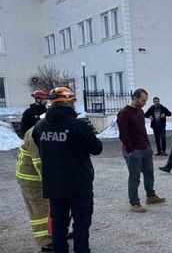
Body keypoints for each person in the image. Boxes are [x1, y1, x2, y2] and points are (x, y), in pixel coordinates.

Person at [33, 87, 103, 253]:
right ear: (69, 102)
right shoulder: (77, 125)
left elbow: (39, 146)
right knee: (81, 221)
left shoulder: (40, 126)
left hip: (53, 182)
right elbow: (96, 148)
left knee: (58, 222)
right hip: (78, 182)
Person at [117, 89, 166, 213]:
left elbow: (142, 129)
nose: (144, 103)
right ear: (135, 98)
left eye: (145, 100)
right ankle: (134, 202)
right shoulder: (124, 113)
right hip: (134, 151)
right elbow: (123, 134)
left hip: (145, 148)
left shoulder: (140, 111)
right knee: (135, 177)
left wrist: (148, 146)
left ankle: (150, 196)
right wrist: (130, 150)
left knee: (149, 174)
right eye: (142, 100)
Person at [16, 125, 52, 251]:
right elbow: (38, 163)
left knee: (48, 207)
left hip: (33, 177)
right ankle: (44, 241)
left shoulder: (40, 131)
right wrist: (51, 184)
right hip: (31, 180)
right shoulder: (34, 135)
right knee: (39, 211)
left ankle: (52, 233)